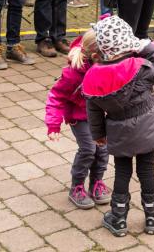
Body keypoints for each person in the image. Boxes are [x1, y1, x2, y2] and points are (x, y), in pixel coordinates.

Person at [82, 15, 154, 237]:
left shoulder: (94, 75)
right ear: (128, 42)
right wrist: (146, 46)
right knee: (146, 170)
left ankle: (118, 218)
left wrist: (99, 135)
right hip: (147, 129)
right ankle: (152, 216)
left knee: (122, 171)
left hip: (118, 132)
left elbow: (93, 110)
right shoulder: (140, 66)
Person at [45, 36, 110, 209]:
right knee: (89, 149)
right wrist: (53, 125)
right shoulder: (73, 74)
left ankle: (96, 182)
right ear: (96, 56)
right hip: (80, 117)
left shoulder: (106, 66)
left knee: (103, 150)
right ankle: (77, 187)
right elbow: (56, 97)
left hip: (100, 115)